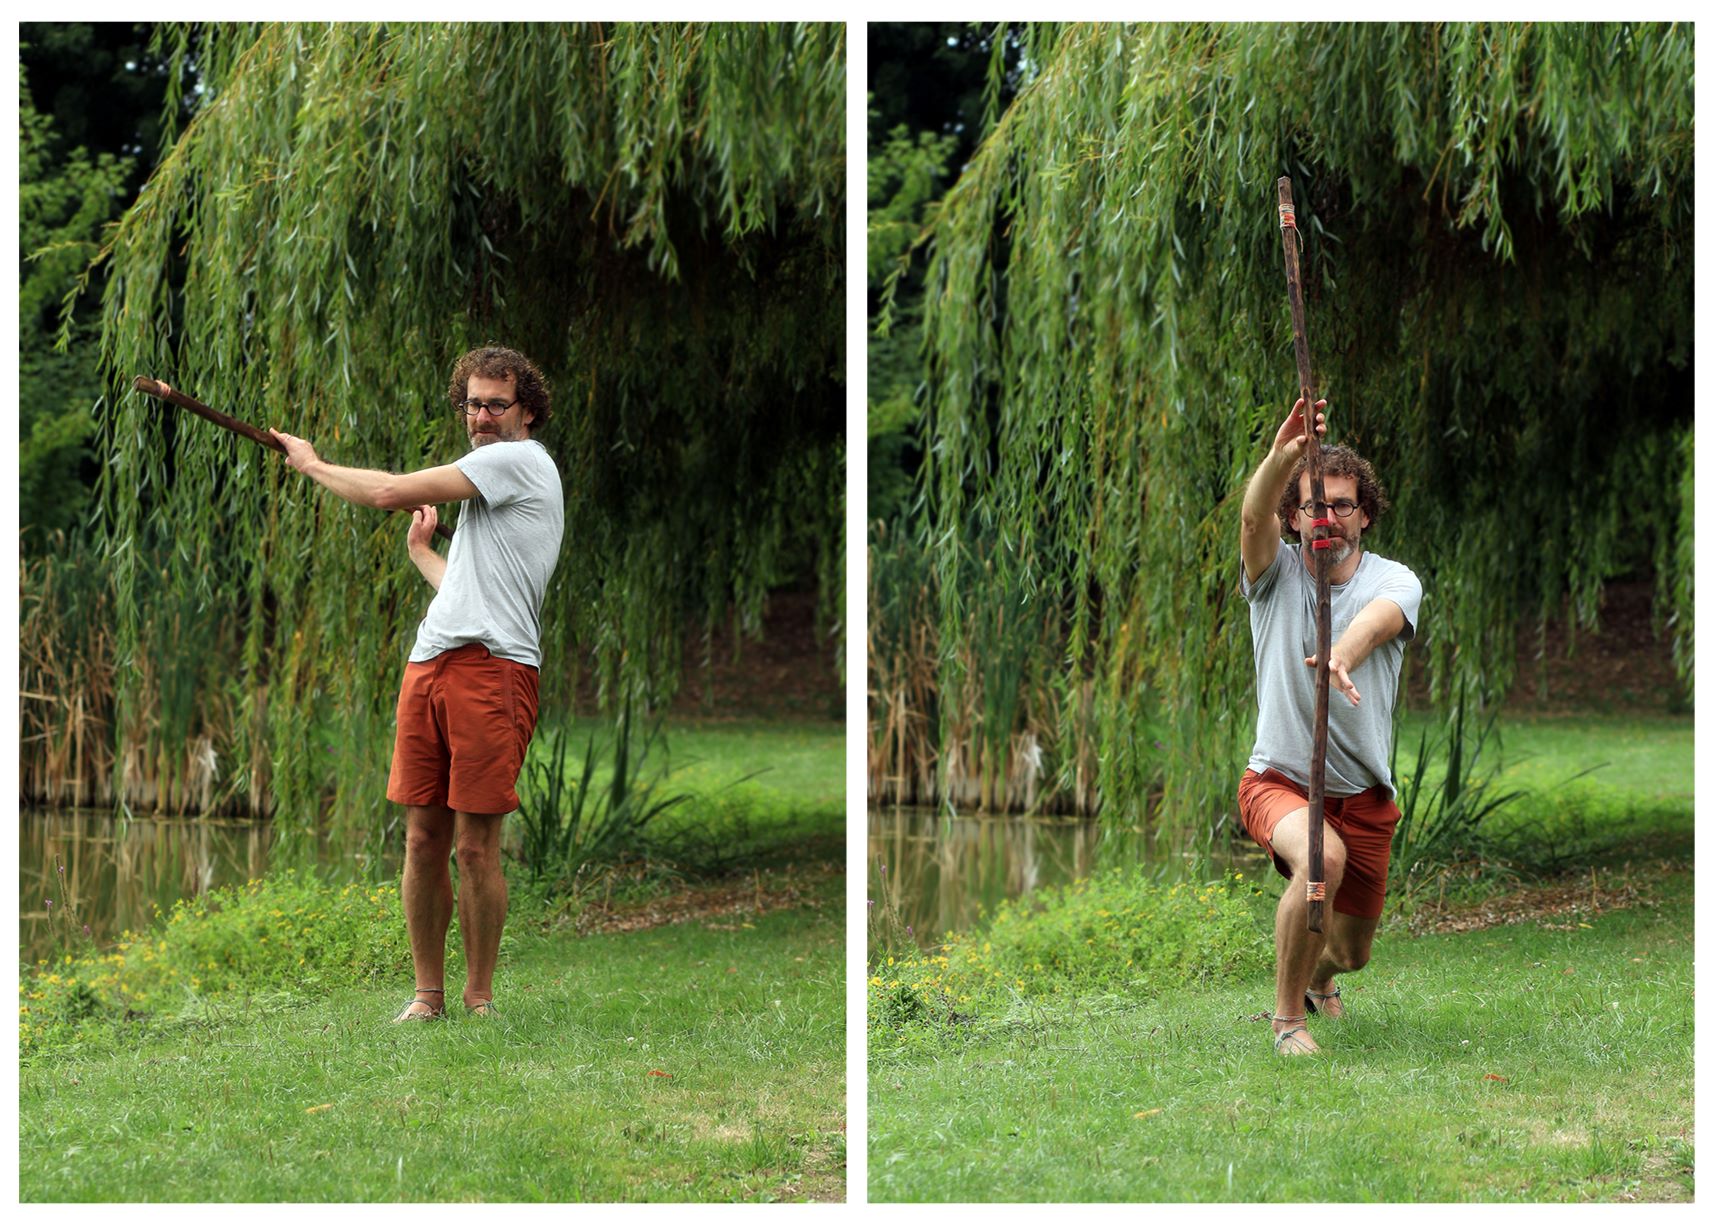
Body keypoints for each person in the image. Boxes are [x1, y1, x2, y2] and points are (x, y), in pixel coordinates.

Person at [263, 346, 564, 1021]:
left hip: (493, 669)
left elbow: (388, 492)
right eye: (471, 403)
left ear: (528, 412)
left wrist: (310, 464)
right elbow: (470, 590)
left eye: (496, 404)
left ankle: (479, 998)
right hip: (430, 664)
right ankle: (428, 997)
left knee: (474, 846)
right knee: (423, 839)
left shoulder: (517, 462)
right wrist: (425, 555)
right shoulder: (490, 481)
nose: (480, 416)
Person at [1236, 397, 1422, 1055]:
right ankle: (1288, 1022)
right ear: (1293, 517)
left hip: (1363, 795)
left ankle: (1318, 980)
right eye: (1313, 505)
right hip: (1279, 780)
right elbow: (1251, 516)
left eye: (1342, 505)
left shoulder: (1395, 580)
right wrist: (1280, 457)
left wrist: (1340, 652)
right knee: (1321, 860)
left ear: (1364, 514)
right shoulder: (1273, 574)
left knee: (1350, 953)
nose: (1328, 517)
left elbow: (1377, 623)